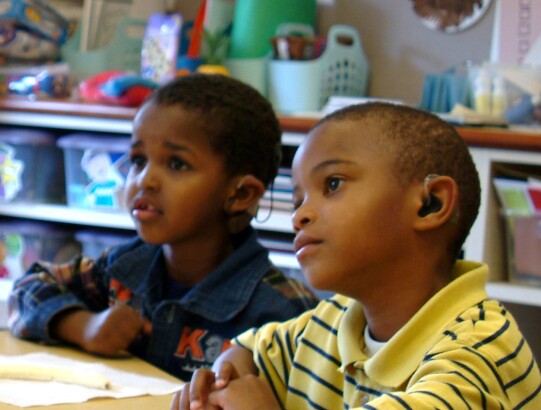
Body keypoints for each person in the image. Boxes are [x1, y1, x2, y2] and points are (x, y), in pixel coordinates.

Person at [171, 102, 541, 410]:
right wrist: (228, 372)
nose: (300, 216)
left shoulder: (481, 345)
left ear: (430, 203)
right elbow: (254, 351)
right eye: (298, 200)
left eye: (331, 185)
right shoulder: (339, 317)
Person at [8, 74, 318, 381]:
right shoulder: (122, 270)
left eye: (176, 164)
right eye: (139, 160)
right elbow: (26, 289)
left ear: (240, 194)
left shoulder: (283, 311)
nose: (144, 180)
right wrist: (82, 325)